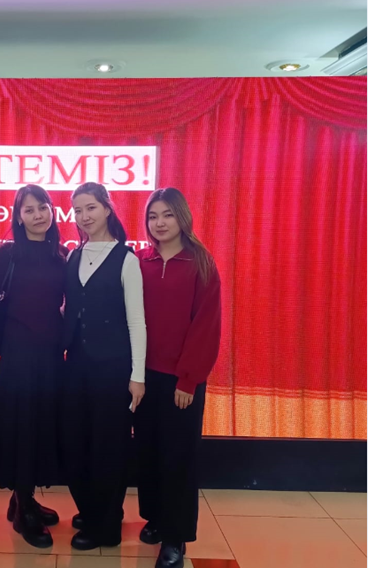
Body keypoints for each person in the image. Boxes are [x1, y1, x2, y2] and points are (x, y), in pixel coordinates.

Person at [0, 184, 67, 549]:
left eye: (43, 207)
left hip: (51, 359)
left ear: (52, 211)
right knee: (22, 430)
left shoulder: (61, 255)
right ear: (18, 216)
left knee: (42, 429)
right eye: (29, 210)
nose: (38, 215)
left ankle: (23, 498)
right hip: (18, 358)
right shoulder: (6, 255)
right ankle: (23, 509)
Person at [134, 188, 221, 568]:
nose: (159, 223)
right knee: (148, 451)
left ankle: (175, 536)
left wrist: (188, 379)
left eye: (167, 215)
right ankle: (155, 517)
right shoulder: (141, 261)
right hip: (142, 376)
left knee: (178, 457)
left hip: (180, 380)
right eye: (153, 216)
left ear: (182, 217)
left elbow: (206, 326)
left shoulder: (200, 262)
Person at [61, 182, 146, 551]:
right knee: (76, 443)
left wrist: (137, 376)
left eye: (91, 207)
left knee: (109, 447)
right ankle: (93, 509)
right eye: (78, 210)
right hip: (76, 366)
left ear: (108, 208)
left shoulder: (127, 259)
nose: (84, 216)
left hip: (114, 369)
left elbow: (137, 321)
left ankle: (106, 526)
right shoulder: (73, 256)